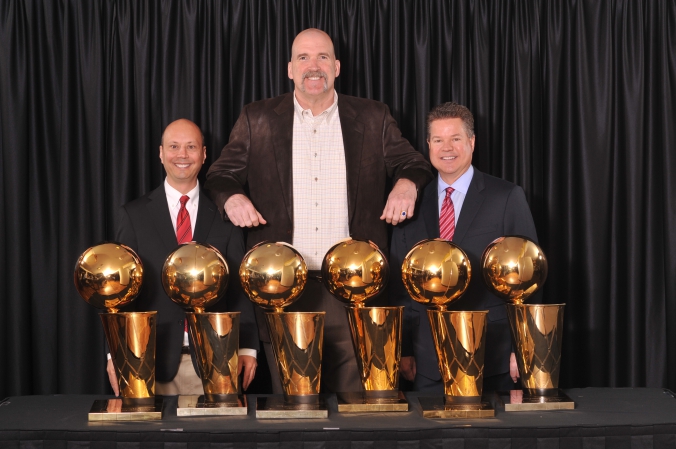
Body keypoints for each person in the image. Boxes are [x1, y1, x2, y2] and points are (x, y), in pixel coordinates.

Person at [205, 28, 433, 394]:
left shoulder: (373, 117)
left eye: (323, 57)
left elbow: (415, 162)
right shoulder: (257, 118)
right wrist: (232, 196)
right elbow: (219, 174)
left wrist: (407, 183)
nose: (314, 66)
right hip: (284, 291)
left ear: (337, 67)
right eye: (304, 58)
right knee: (296, 416)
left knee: (362, 412)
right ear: (290, 69)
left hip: (357, 289)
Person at [389, 102, 539, 393]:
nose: (447, 148)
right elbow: (400, 286)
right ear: (428, 145)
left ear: (471, 142)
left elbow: (530, 279)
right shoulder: (410, 203)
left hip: (493, 356)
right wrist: (404, 349)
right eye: (438, 140)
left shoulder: (507, 197)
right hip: (428, 359)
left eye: (455, 138)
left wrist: (522, 349)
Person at [110, 119, 258, 396]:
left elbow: (240, 286)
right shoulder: (134, 215)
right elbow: (121, 291)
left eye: (191, 147)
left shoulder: (227, 215)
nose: (182, 155)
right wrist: (113, 354)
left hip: (218, 359)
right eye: (174, 147)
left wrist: (248, 347)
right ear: (160, 153)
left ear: (203, 154)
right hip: (148, 359)